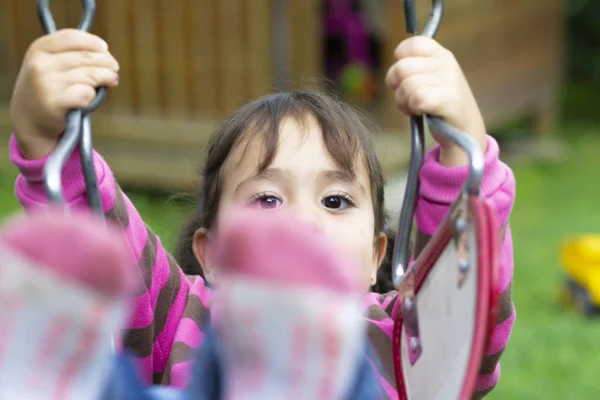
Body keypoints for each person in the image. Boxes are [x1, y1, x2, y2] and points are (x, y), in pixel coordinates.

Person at [8, 27, 516, 399]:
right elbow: (116, 245)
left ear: (376, 255)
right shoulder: (183, 315)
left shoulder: (401, 339)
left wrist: (463, 146)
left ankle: (290, 366)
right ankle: (57, 362)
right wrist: (49, 139)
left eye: (335, 201)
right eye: (267, 199)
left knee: (350, 374)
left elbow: (466, 297)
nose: (301, 223)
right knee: (112, 373)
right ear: (212, 254)